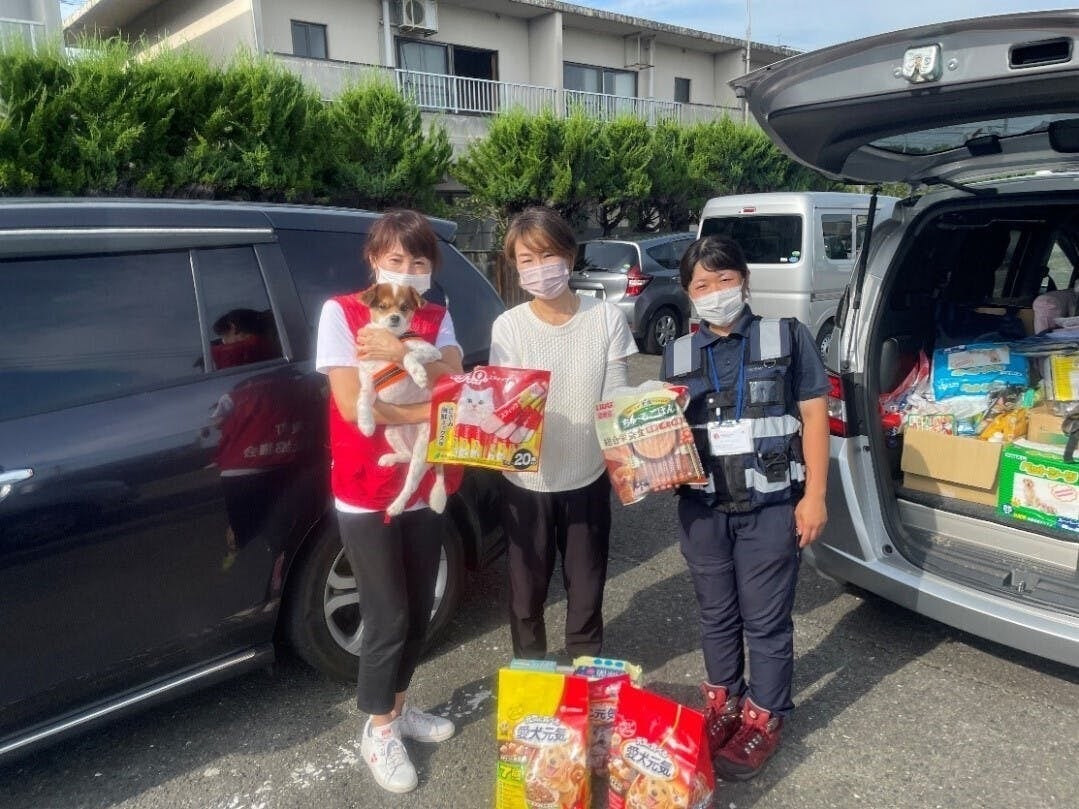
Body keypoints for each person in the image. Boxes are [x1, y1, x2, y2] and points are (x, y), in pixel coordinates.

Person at [661, 235, 829, 781]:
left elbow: (815, 417)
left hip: (771, 505)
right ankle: (724, 703)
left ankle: (764, 716)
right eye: (701, 285)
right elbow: (661, 433)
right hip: (702, 509)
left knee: (766, 621)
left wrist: (815, 497)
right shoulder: (678, 354)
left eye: (724, 279)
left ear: (745, 280)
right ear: (689, 293)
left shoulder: (788, 336)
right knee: (715, 614)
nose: (714, 292)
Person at [315, 209, 462, 794]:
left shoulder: (436, 314)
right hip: (364, 486)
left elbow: (455, 375)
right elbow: (354, 405)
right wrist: (429, 401)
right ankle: (378, 729)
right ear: (374, 260)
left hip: (424, 482)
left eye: (419, 261)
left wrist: (400, 351)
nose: (407, 269)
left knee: (421, 605)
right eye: (396, 258)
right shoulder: (340, 313)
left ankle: (398, 707)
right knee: (388, 614)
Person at [489, 206, 638, 662]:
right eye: (526, 259)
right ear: (515, 267)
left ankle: (585, 675)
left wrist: (642, 435)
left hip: (587, 475)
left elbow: (616, 398)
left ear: (569, 256)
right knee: (525, 594)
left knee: (587, 588)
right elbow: (505, 404)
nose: (538, 268)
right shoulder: (509, 326)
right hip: (524, 481)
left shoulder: (606, 318)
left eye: (547, 255)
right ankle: (530, 675)